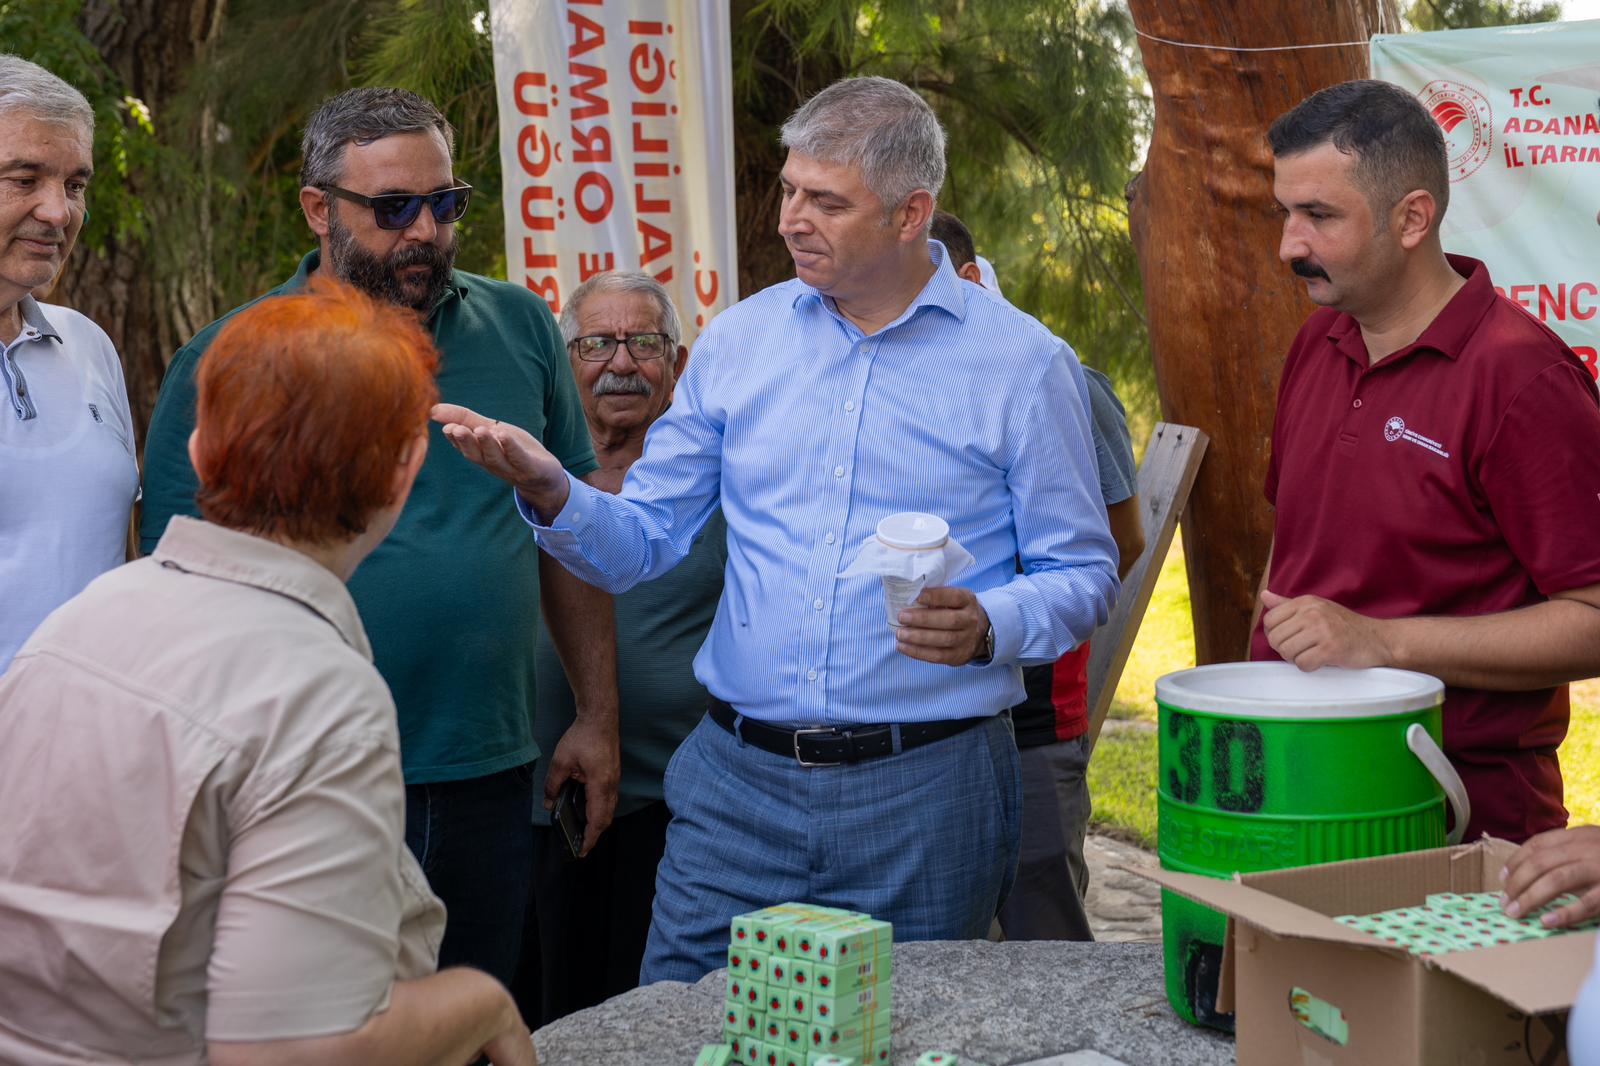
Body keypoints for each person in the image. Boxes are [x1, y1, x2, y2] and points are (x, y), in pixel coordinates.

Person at [435, 75, 1119, 983]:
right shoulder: (739, 342)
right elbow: (642, 540)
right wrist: (553, 488)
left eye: (827, 202)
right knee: (676, 1021)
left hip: (924, 791)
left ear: (912, 214)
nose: (792, 218)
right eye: (791, 189)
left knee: (895, 1031)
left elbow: (1085, 571)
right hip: (735, 786)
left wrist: (993, 622)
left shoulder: (1022, 364)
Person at [138, 87, 620, 990]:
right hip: (304, 778)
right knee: (328, 1025)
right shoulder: (232, 358)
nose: (426, 233)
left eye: (445, 203)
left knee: (473, 1012)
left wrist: (597, 716)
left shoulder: (520, 326)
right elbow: (174, 593)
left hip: (490, 767)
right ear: (318, 209)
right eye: (394, 208)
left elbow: (570, 534)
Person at [0, 277, 534, 1066]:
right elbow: (293, 1052)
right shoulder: (319, 697)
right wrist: (484, 1003)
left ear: (197, 449)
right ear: (405, 470)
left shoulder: (70, 629)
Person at [1254, 79, 1600, 843]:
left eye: (1319, 216)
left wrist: (1383, 643)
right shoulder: (1317, 342)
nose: (1290, 246)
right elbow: (1291, 553)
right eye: (1285, 212)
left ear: (1413, 217)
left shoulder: (1523, 378)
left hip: (1455, 820)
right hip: (1293, 789)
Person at [514, 271, 727, 1024]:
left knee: (651, 1013)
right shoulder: (524, 469)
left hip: (677, 808)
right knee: (539, 1010)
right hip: (536, 803)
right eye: (597, 343)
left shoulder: (713, 479)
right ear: (565, 359)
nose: (622, 362)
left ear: (678, 362)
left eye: (645, 343)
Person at [929, 209, 1145, 940]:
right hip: (935, 728)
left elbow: (1121, 542)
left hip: (1034, 719)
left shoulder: (1061, 376)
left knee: (1044, 932)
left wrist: (1017, 622)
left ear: (968, 278)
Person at [0, 55, 138, 672]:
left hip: (104, 718)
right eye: (24, 179)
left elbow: (121, 544)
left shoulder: (88, 344)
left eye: (75, 185)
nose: (59, 213)